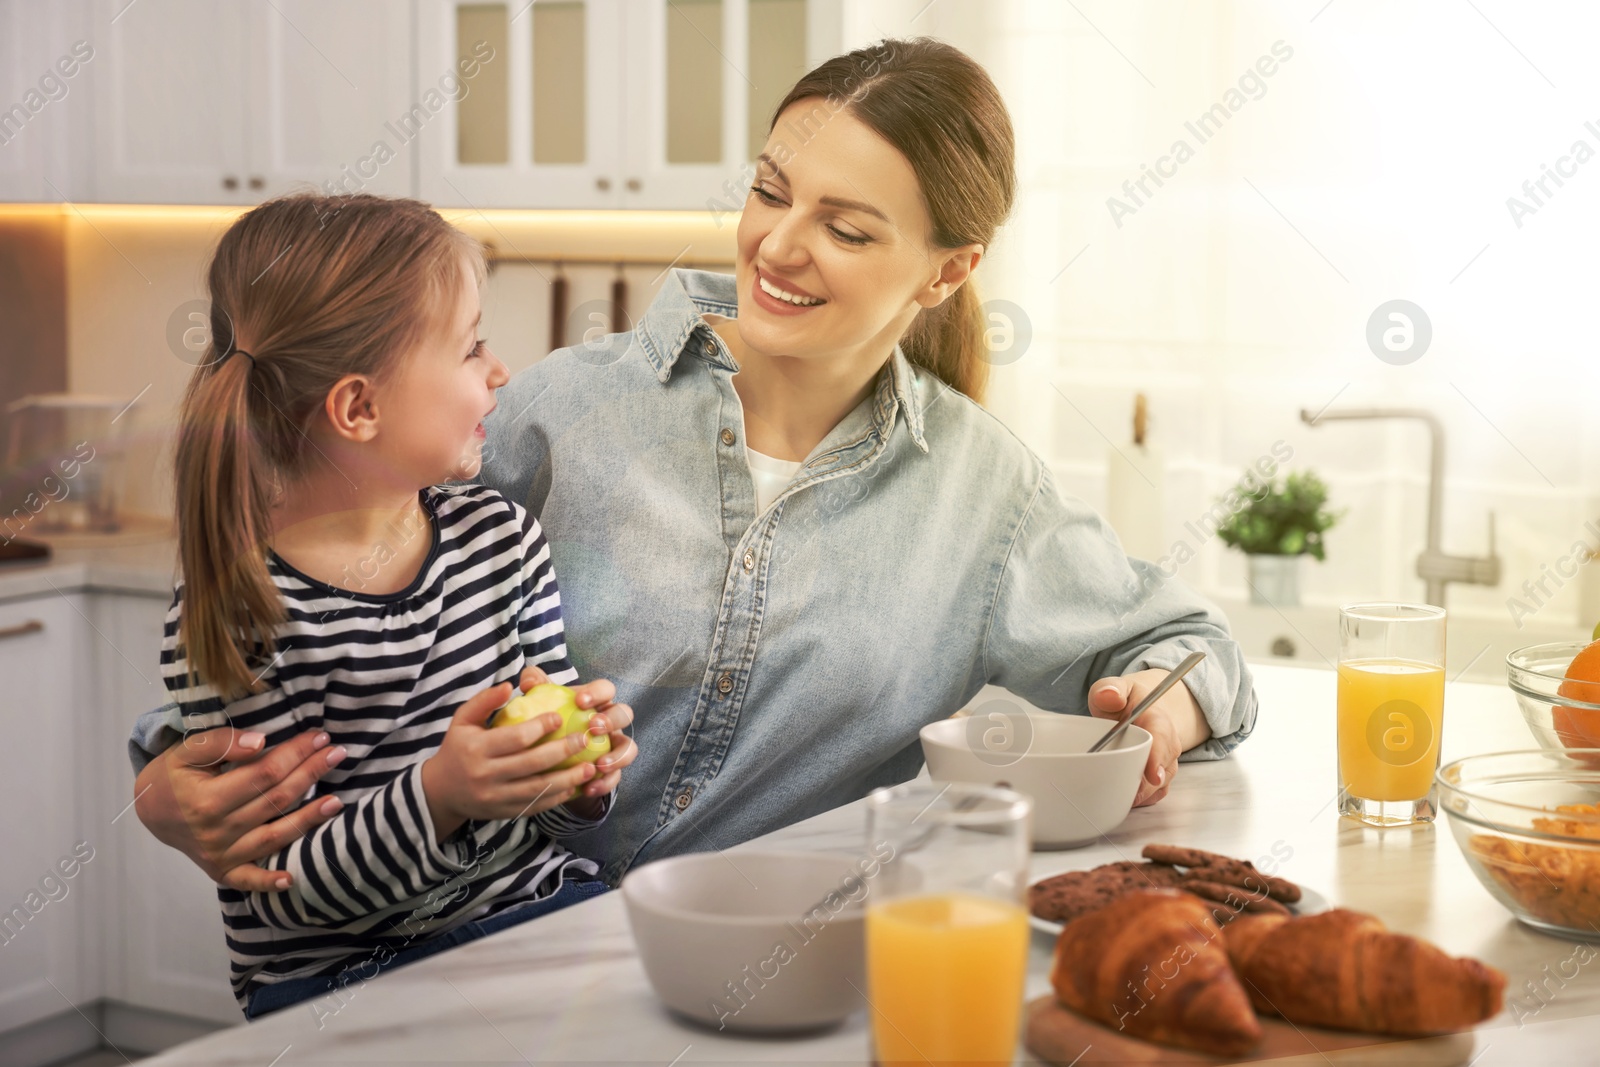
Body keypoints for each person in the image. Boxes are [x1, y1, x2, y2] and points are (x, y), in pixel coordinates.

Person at [132, 38, 1255, 898]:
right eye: (770, 191)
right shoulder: (555, 415)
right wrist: (164, 779)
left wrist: (1151, 718)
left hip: (779, 982)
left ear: (945, 271)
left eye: (848, 229)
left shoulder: (981, 489)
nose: (776, 244)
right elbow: (306, 611)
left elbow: (1194, 653)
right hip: (501, 957)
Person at [153, 194, 637, 1018]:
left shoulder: (500, 536)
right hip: (341, 982)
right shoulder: (237, 613)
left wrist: (577, 774)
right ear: (359, 408)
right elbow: (283, 889)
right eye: (471, 345)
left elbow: (556, 813)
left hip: (532, 916)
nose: (499, 370)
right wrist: (444, 792)